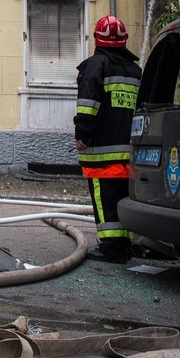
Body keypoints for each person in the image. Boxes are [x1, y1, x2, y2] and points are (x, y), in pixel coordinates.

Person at [73, 14, 142, 263]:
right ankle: (124, 245)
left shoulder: (96, 65)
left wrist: (82, 134)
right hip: (131, 152)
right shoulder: (135, 70)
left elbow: (88, 106)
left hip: (102, 150)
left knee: (105, 199)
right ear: (124, 40)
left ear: (97, 38)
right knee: (123, 198)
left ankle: (111, 248)